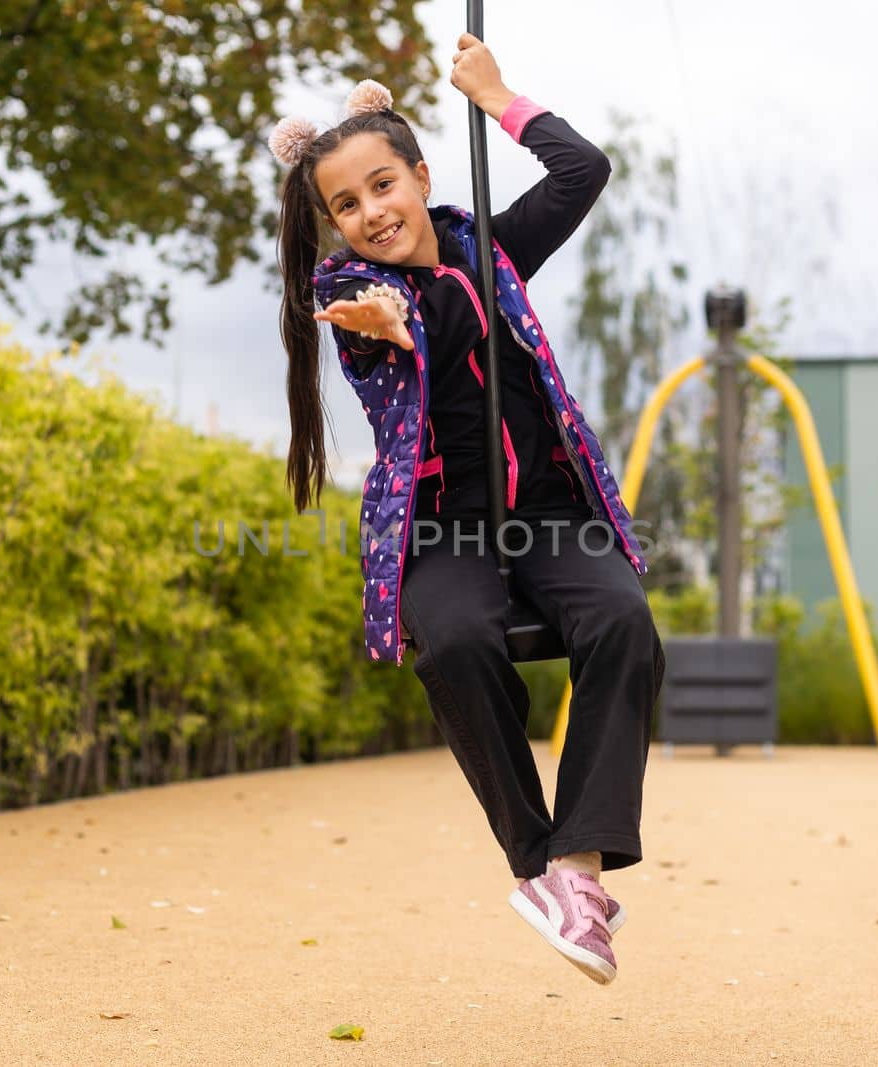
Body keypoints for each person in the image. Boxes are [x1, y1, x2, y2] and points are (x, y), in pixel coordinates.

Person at [272, 33, 666, 986]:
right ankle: (536, 862)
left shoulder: (491, 247)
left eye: (383, 186)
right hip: (443, 528)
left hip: (550, 513)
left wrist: (496, 95)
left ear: (420, 174)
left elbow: (583, 170)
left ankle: (578, 866)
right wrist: (390, 322)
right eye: (346, 204)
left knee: (622, 622)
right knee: (450, 645)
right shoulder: (346, 292)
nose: (371, 213)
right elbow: (415, 325)